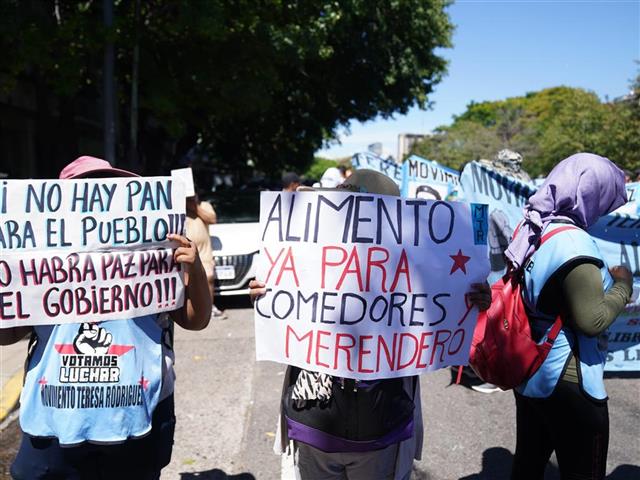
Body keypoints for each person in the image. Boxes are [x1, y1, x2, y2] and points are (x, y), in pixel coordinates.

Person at [250, 169, 491, 480]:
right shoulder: (308, 259)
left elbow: (446, 313)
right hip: (313, 428)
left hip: (382, 429)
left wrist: (471, 299)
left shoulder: (415, 270)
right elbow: (285, 308)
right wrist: (266, 291)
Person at [5, 156, 212, 479]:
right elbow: (6, 334)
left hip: (136, 415)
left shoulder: (149, 255)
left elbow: (195, 319)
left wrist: (194, 268)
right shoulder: (38, 262)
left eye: (110, 188)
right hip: (54, 422)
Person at [505, 153, 631, 480]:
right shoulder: (573, 244)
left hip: (531, 373)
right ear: (591, 193)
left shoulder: (535, 227)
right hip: (571, 383)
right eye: (605, 198)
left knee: (528, 465)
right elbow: (591, 321)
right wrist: (623, 287)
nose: (605, 209)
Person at [187, 192, 226, 319]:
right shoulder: (178, 207)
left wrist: (195, 207)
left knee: (208, 277)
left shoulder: (204, 205)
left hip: (203, 253)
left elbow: (212, 219)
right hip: (185, 251)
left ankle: (209, 308)